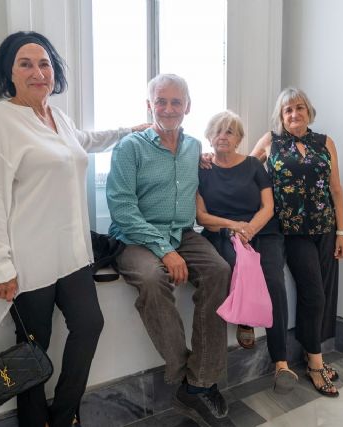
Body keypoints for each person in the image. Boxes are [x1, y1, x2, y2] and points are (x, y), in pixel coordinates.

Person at [0, 31, 142, 427]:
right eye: (25, 64)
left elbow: (83, 142)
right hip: (28, 260)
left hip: (72, 254)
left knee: (90, 325)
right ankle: (34, 421)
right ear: (9, 73)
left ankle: (63, 414)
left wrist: (129, 131)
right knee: (34, 346)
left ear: (54, 72)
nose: (37, 72)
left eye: (44, 63)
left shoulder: (56, 117)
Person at [106, 74, 232, 426]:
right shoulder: (130, 147)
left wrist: (211, 158)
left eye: (176, 102)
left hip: (182, 232)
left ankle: (200, 382)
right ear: (150, 105)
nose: (168, 108)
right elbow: (121, 207)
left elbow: (217, 167)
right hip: (135, 236)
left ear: (188, 107)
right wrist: (164, 250)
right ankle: (185, 375)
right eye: (161, 101)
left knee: (220, 270)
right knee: (150, 279)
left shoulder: (193, 148)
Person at [250, 87, 343, 398]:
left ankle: (310, 353)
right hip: (292, 230)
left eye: (300, 108)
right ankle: (316, 364)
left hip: (325, 228)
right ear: (281, 116)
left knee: (320, 295)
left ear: (309, 111)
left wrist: (342, 233)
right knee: (314, 295)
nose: (294, 114)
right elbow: (245, 174)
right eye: (288, 110)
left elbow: (336, 190)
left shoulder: (325, 142)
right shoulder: (271, 141)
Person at [196, 111, 298, 394]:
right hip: (224, 233)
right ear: (209, 136)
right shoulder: (202, 170)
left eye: (230, 131)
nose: (223, 136)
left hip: (262, 231)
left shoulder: (253, 165)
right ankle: (245, 321)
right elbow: (202, 216)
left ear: (240, 138)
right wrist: (233, 227)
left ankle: (281, 363)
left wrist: (250, 229)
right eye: (217, 130)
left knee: (274, 282)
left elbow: (269, 206)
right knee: (235, 269)